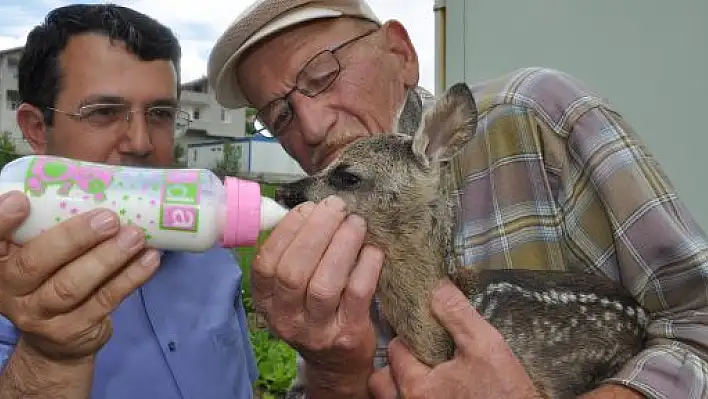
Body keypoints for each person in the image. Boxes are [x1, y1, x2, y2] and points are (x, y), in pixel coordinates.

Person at [207, 0, 708, 398]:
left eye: (322, 75)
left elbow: (698, 319)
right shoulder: (330, 227)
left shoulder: (535, 116)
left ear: (401, 52)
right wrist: (334, 374)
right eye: (280, 117)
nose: (312, 126)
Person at [0, 4, 258, 398]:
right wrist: (49, 356)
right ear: (36, 129)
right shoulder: (8, 280)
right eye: (103, 112)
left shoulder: (210, 250)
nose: (140, 142)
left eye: (160, 113)